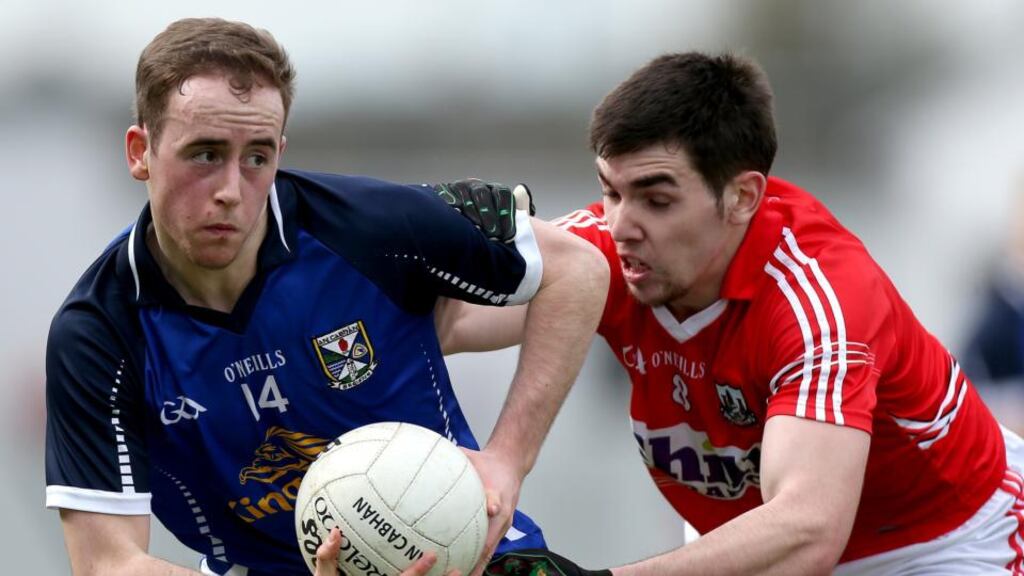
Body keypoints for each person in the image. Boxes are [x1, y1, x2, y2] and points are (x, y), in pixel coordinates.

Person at [43, 18, 608, 576]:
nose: (231, 192)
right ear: (141, 151)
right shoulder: (98, 333)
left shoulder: (372, 230)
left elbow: (576, 267)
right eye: (206, 154)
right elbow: (106, 562)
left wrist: (508, 459)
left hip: (467, 555)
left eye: (258, 157)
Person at [444, 52, 1024, 574]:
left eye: (657, 199)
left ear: (742, 197)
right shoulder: (601, 254)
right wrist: (416, 235)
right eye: (611, 192)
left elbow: (807, 529)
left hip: (941, 543)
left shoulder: (820, 300)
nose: (620, 226)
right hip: (755, 533)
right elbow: (453, 323)